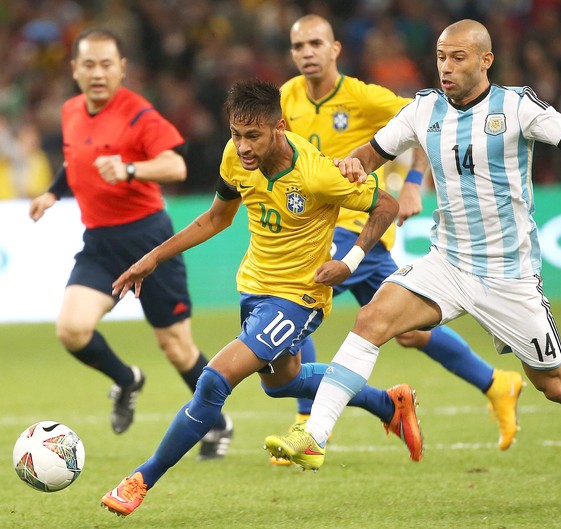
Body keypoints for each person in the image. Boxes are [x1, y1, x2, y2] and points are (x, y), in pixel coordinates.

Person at [266, 19, 561, 480]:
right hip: (448, 262)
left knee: (555, 384)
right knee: (371, 320)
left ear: (485, 60)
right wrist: (345, 168)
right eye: (441, 58)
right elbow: (372, 152)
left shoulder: (516, 106)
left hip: (508, 275)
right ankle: (314, 437)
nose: (446, 67)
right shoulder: (424, 110)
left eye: (458, 58)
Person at [100, 79, 421, 517]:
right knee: (283, 384)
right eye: (236, 134)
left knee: (214, 380)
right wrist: (151, 258)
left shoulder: (317, 174)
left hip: (299, 298)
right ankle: (389, 403)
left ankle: (140, 479)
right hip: (254, 288)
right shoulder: (235, 158)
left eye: (253, 136)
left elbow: (383, 205)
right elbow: (216, 218)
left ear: (279, 128)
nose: (243, 146)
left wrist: (350, 260)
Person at [271, 14, 524, 462]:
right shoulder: (286, 97)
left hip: (357, 225)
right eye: (298, 46)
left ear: (335, 50)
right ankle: (495, 382)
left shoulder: (364, 97)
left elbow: (433, 123)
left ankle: (306, 422)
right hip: (312, 224)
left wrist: (411, 182)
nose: (306, 53)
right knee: (407, 332)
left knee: (302, 289)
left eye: (316, 43)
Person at [28, 28, 233, 460]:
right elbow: (75, 159)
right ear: (74, 70)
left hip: (151, 242)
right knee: (72, 329)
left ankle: (217, 423)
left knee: (176, 347)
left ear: (122, 68)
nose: (98, 73)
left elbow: (175, 165)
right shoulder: (70, 111)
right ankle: (126, 380)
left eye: (106, 64)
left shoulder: (139, 113)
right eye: (89, 64)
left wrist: (130, 170)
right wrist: (53, 191)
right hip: (100, 243)